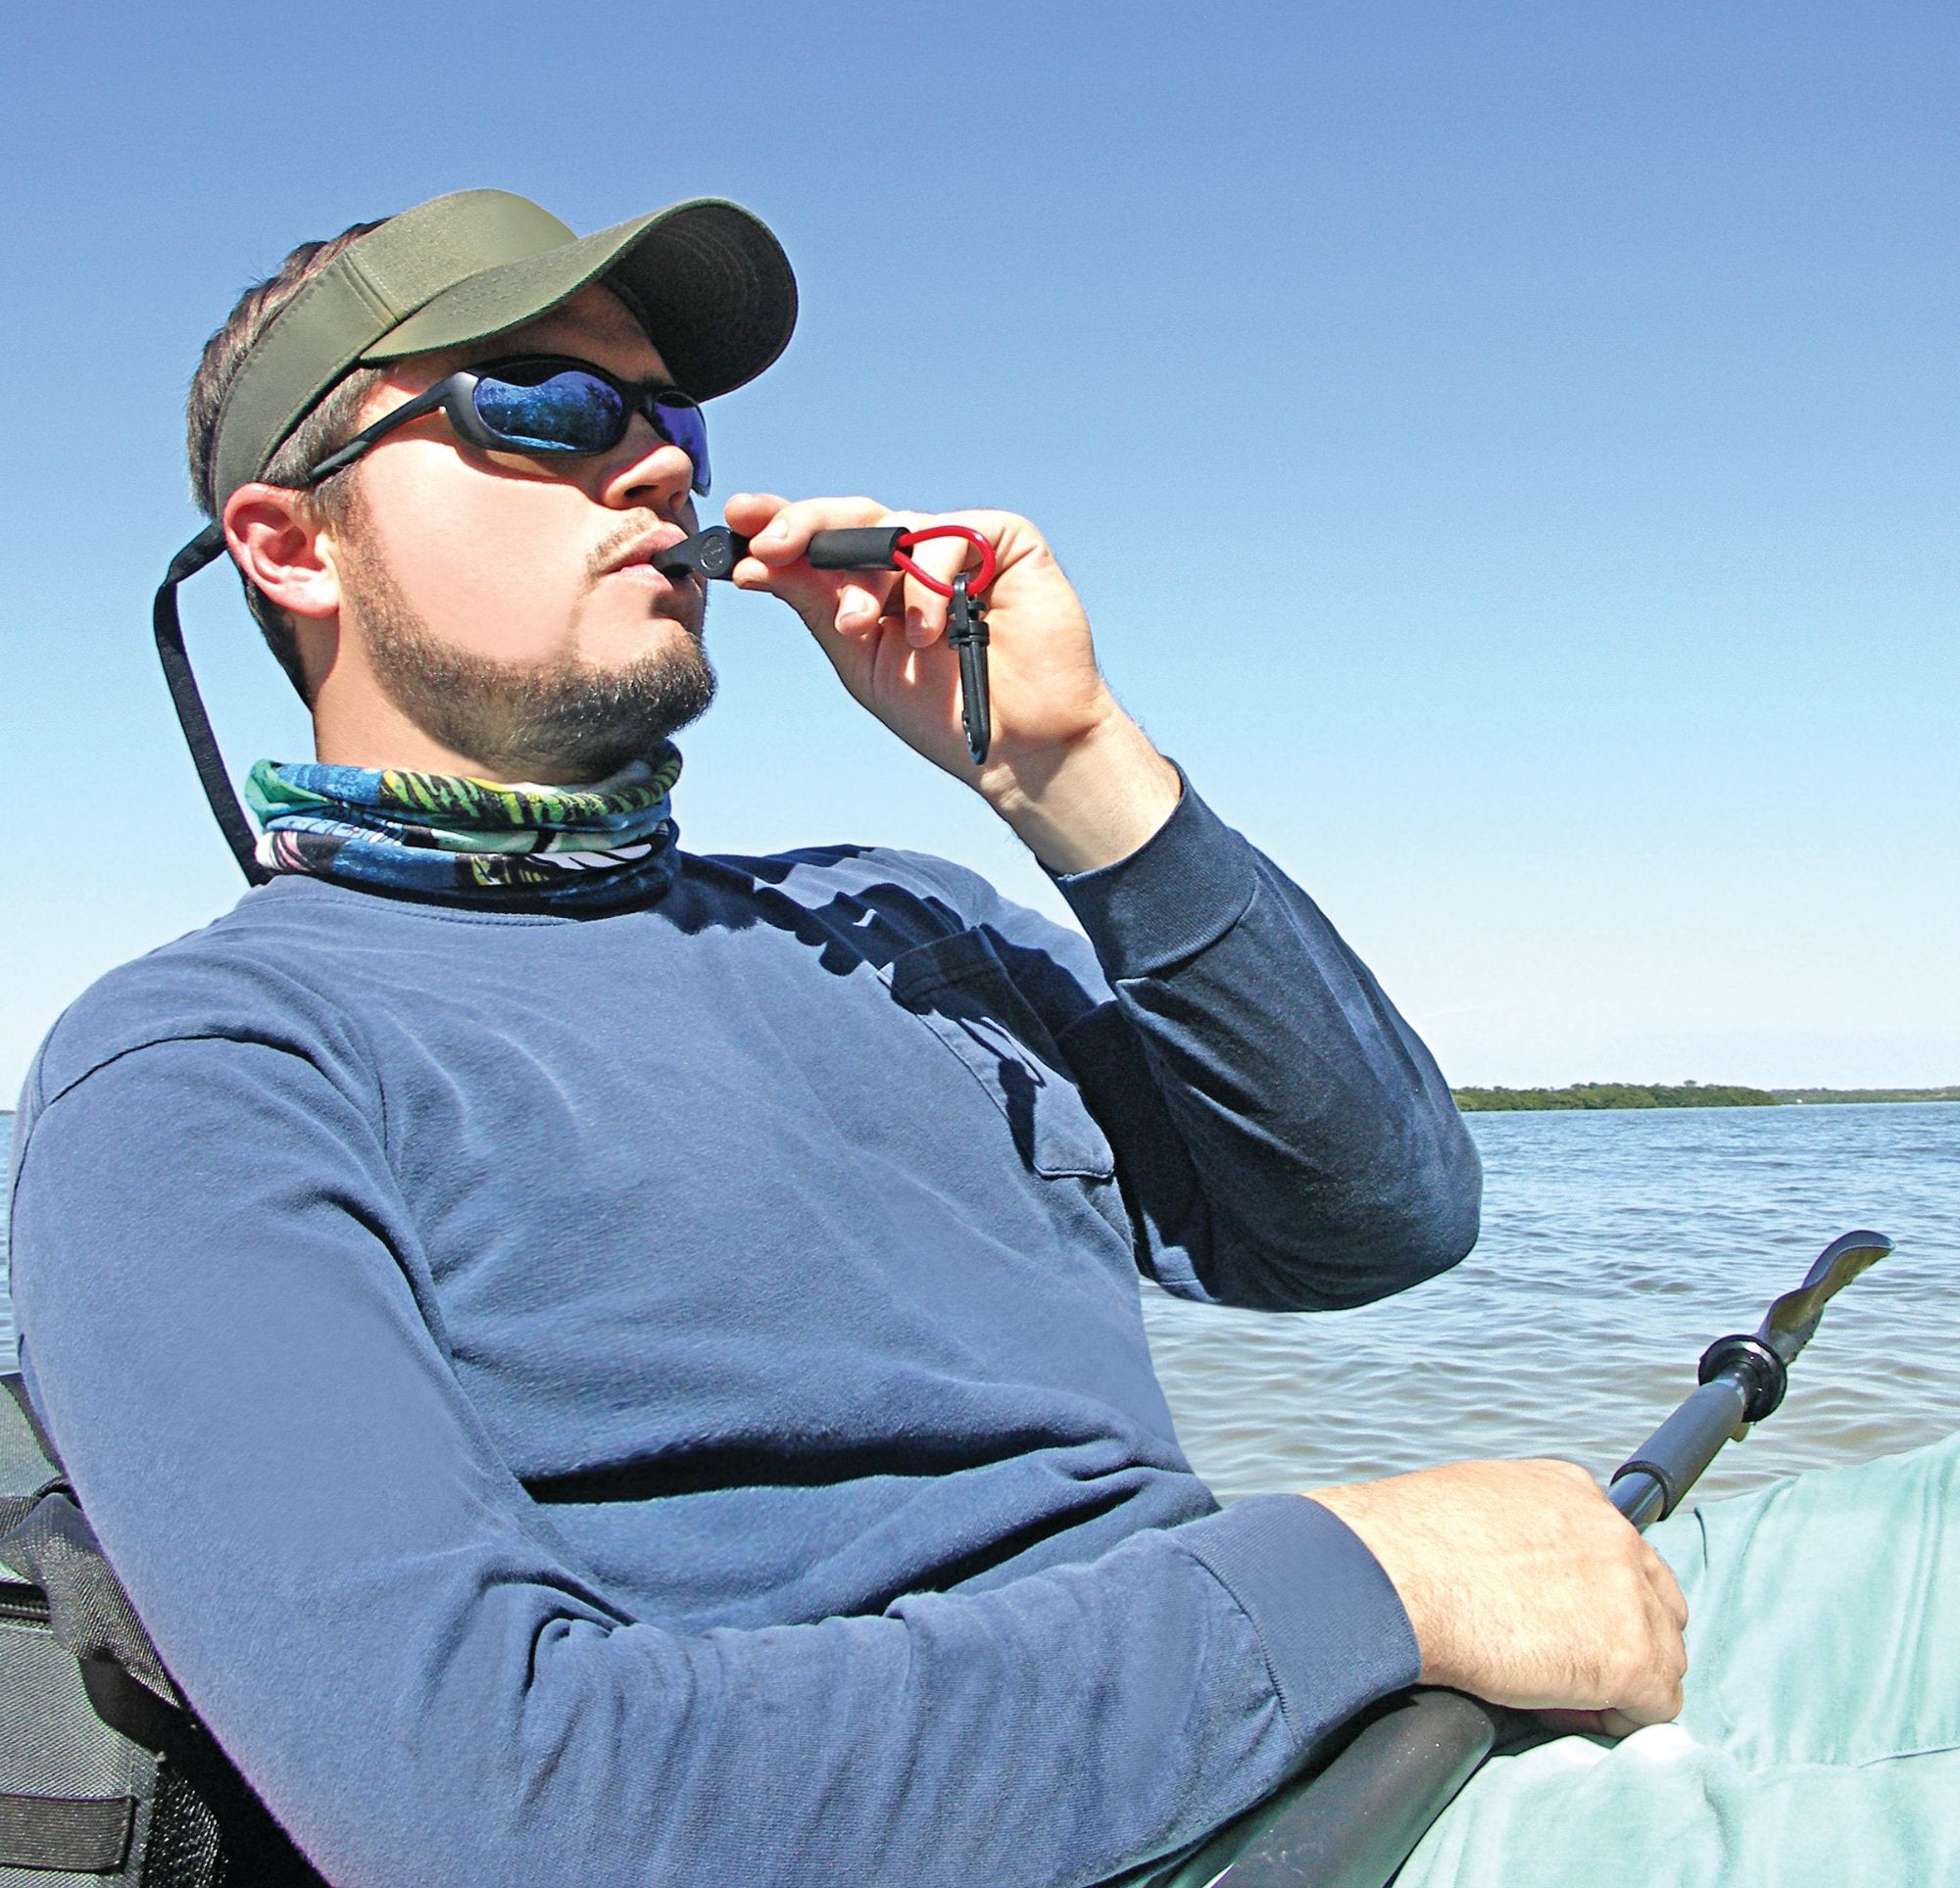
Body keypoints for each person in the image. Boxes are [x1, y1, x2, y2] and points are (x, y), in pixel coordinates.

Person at [10, 186, 1907, 1888]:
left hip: (1386, 1686)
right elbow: (501, 1812)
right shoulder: (203, 1074)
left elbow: (1383, 1217)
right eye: (547, 405)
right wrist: (1367, 1577)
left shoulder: (893, 920)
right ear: (291, 544)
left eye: (670, 417)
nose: (656, 465)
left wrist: (1070, 769)